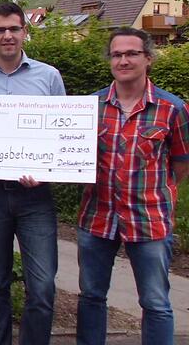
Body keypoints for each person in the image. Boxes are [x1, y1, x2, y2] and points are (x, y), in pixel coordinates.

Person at [0, 2, 66, 345]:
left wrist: (49, 170)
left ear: (24, 32)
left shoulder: (48, 77)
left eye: (14, 29)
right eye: (0, 29)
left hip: (35, 197)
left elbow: (61, 131)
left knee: (43, 285)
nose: (7, 36)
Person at [76, 27, 189, 345]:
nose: (123, 60)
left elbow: (181, 163)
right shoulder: (91, 107)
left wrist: (154, 192)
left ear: (148, 58)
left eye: (131, 53)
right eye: (117, 54)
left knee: (155, 302)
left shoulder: (172, 109)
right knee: (91, 297)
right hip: (97, 217)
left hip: (149, 221)